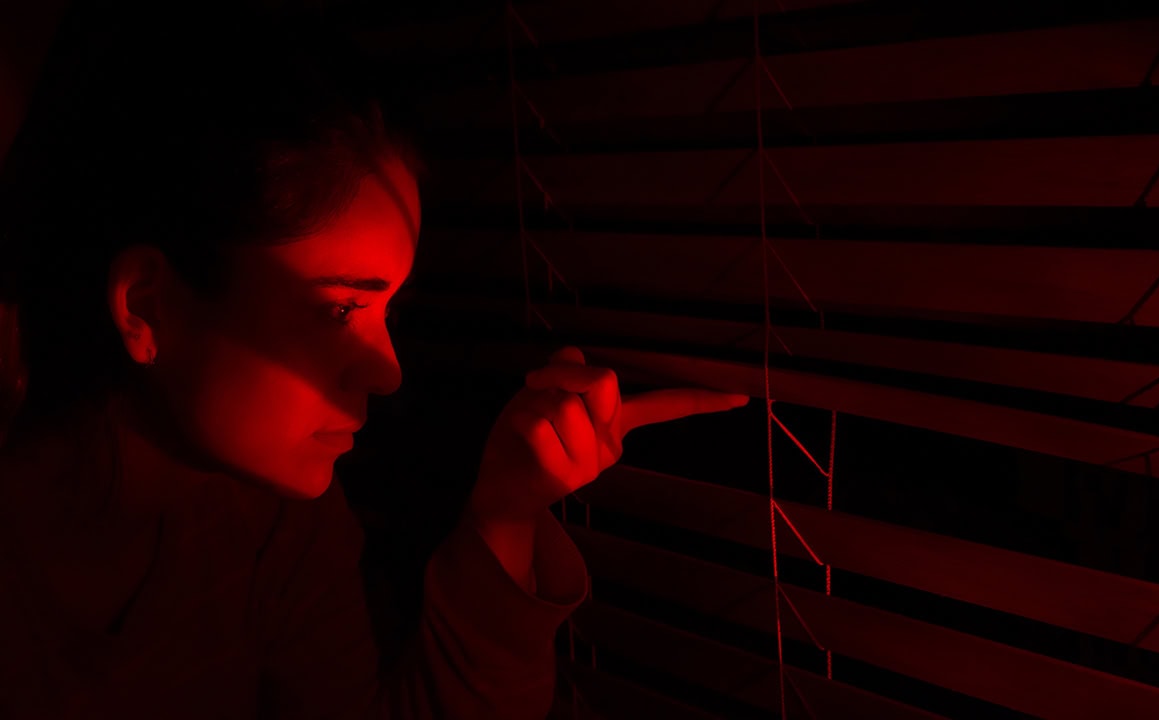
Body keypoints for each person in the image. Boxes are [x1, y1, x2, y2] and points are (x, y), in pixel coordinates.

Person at [0, 4, 749, 718]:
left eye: (387, 310)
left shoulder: (276, 526)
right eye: (341, 309)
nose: (389, 371)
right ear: (147, 306)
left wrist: (506, 510)